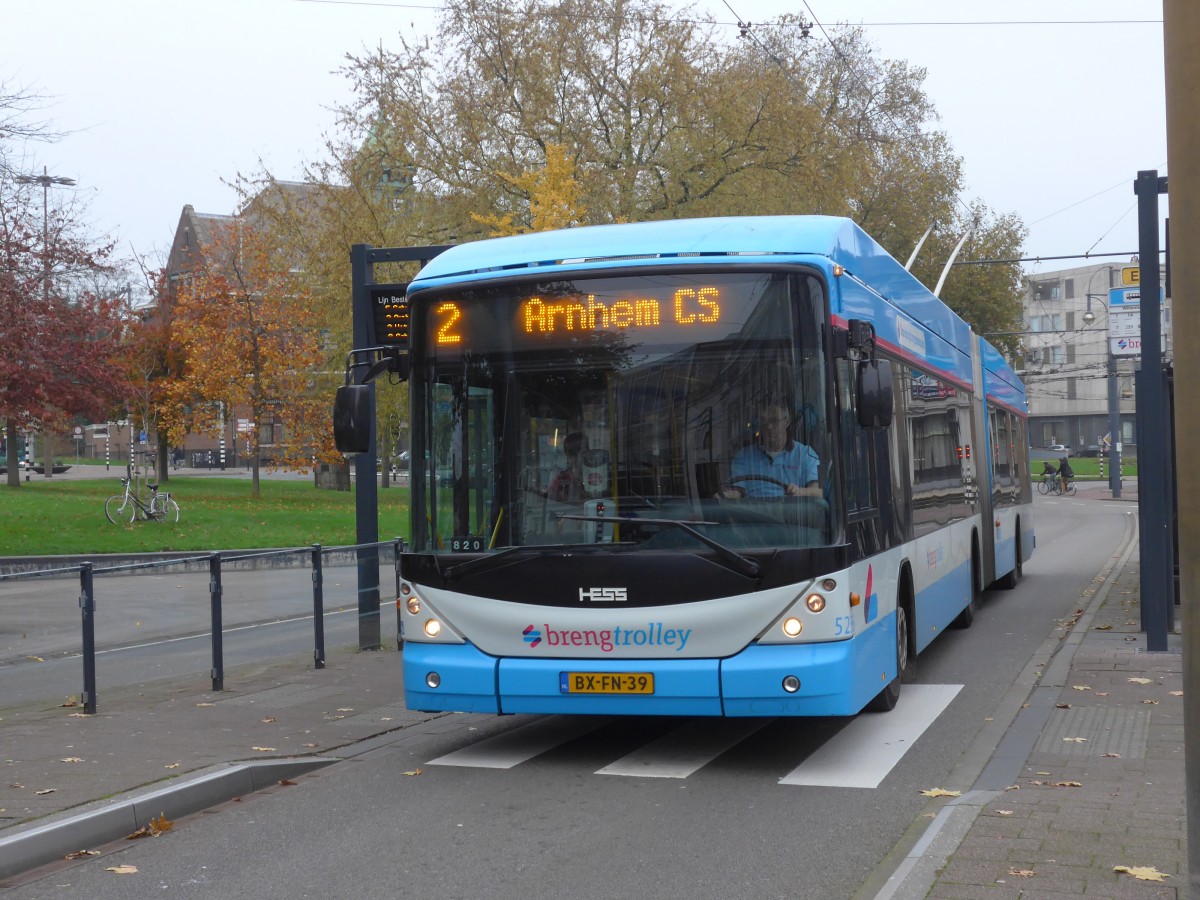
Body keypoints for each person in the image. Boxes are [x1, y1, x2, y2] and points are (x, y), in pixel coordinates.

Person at [722, 403, 822, 499]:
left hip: (792, 514)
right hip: (752, 514)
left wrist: (799, 491)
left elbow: (818, 491)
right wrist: (725, 496)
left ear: (786, 421)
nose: (769, 427)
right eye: (764, 422)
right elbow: (736, 491)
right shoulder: (744, 456)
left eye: (774, 421)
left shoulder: (805, 454)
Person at [549, 432, 587, 502]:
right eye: (573, 455)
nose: (580, 458)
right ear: (568, 456)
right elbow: (551, 505)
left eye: (584, 453)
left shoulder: (595, 475)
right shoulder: (560, 481)